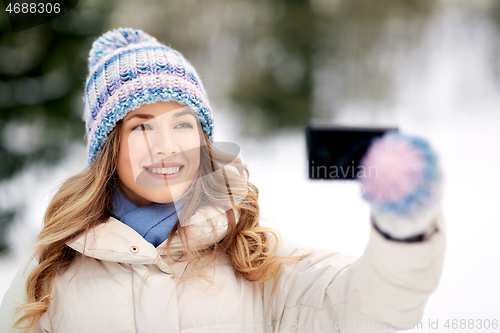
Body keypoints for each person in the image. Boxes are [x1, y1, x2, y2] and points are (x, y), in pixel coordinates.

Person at [0, 28, 445, 333]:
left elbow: (371, 308)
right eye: (140, 127)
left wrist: (404, 224)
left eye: (182, 124)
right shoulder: (49, 277)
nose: (166, 146)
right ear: (106, 150)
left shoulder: (253, 259)